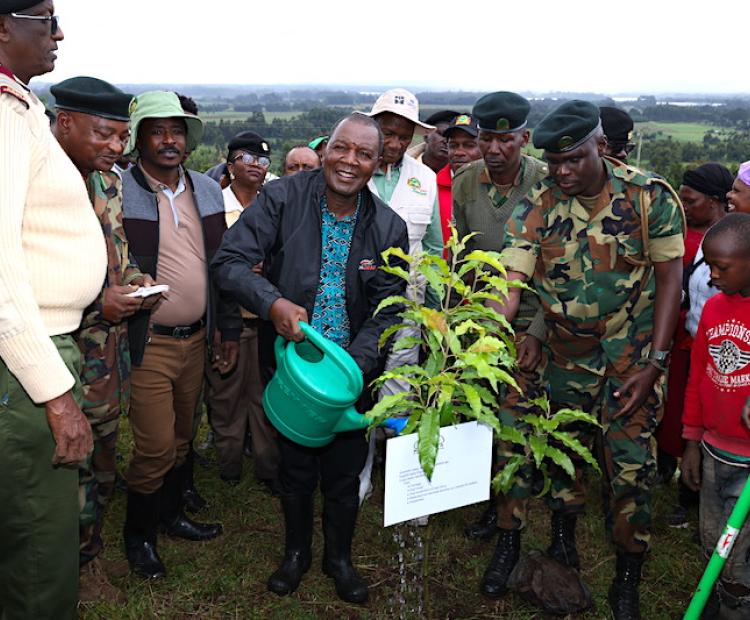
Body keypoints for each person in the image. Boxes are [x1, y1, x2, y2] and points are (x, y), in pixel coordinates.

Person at [498, 100, 685, 619]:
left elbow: (671, 282)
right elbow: (512, 283)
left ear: (600, 147)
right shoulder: (537, 204)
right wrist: (484, 327)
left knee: (631, 469)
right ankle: (563, 541)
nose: (562, 172)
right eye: (554, 163)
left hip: (634, 355)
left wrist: (656, 365)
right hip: (567, 353)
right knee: (567, 453)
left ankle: (628, 572)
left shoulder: (650, 198)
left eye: (573, 159)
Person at [212, 113, 409, 604]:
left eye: (364, 154)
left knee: (344, 472)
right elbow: (229, 262)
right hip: (292, 368)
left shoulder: (389, 227)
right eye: (341, 148)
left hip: (349, 375)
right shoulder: (282, 199)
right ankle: (296, 553)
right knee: (294, 467)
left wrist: (351, 368)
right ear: (326, 150)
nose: (349, 161)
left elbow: (390, 310)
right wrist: (272, 302)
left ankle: (338, 558)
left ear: (376, 161)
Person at [0, 3, 107, 618]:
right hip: (27, 354)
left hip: (30, 350)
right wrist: (55, 394)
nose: (58, 32)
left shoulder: (21, 106)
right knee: (42, 547)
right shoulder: (7, 113)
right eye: (44, 17)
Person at [120, 91, 241, 579]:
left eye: (177, 131)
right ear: (139, 138)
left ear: (188, 140)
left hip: (198, 337)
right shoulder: (116, 191)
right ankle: (139, 537)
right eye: (157, 130)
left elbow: (223, 266)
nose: (169, 140)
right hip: (150, 340)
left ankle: (172, 516)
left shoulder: (208, 191)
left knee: (184, 436)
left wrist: (226, 329)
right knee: (154, 446)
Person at [50, 75, 155, 603]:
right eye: (106, 135)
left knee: (103, 458)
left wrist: (135, 280)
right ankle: (65, 567)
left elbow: (119, 251)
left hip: (108, 356)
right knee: (65, 468)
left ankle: (88, 551)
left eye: (123, 137)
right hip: (56, 356)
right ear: (63, 123)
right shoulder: (37, 180)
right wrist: (97, 304)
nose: (118, 148)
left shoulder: (108, 180)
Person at [449, 93, 549, 552]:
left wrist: (537, 332)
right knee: (480, 415)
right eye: (487, 137)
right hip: (478, 321)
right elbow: (461, 252)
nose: (494, 148)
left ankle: (512, 522)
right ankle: (487, 500)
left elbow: (559, 268)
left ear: (524, 138)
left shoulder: (548, 184)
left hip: (529, 325)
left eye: (505, 138)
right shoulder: (466, 181)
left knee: (517, 425)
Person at [358, 88, 443, 504]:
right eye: (386, 133)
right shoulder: (351, 170)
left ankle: (403, 483)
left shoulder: (424, 179)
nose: (393, 144)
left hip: (407, 304)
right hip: (356, 303)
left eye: (403, 136)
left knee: (398, 389)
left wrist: (437, 308)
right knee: (357, 385)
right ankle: (357, 477)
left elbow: (434, 248)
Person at [681, 213, 750, 620]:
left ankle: (736, 606)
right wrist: (690, 442)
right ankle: (713, 596)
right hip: (713, 452)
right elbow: (696, 378)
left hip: (748, 461)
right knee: (712, 540)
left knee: (739, 554)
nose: (712, 277)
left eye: (722, 268)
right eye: (709, 266)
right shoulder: (713, 309)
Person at [656, 163, 732, 527]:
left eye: (691, 201)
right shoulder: (689, 236)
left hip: (723, 351)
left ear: (716, 202)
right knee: (684, 419)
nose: (684, 207)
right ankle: (686, 492)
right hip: (690, 346)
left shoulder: (733, 244)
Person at [206, 130, 280, 489]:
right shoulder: (213, 205)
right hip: (227, 316)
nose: (256, 166)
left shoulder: (275, 205)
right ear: (230, 163)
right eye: (247, 158)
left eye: (263, 161)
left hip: (267, 318)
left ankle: (268, 468)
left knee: (266, 394)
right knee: (226, 394)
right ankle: (229, 464)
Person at [435, 113, 482, 253]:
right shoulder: (430, 187)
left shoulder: (494, 187)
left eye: (469, 145)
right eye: (454, 145)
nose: (459, 152)